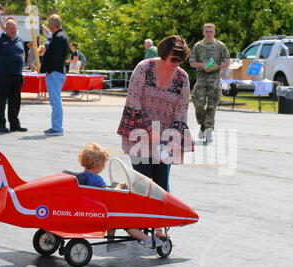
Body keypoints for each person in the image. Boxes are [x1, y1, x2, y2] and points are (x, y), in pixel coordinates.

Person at [117, 35, 194, 238]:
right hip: (139, 134)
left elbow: (181, 110)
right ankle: (134, 223)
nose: (177, 65)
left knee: (161, 183)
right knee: (142, 182)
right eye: (173, 60)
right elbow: (133, 102)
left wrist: (172, 137)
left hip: (165, 138)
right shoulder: (144, 68)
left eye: (180, 60)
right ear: (163, 54)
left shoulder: (182, 78)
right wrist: (151, 132)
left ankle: (158, 225)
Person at [77, 142, 162, 251]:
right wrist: (120, 185)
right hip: (103, 212)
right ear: (97, 164)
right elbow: (108, 195)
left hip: (95, 208)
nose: (103, 167)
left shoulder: (83, 175)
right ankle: (148, 240)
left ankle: (111, 242)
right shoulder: (96, 179)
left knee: (114, 218)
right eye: (103, 165)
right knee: (128, 224)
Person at [189, 23, 230, 143]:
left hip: (214, 80)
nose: (208, 33)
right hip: (201, 79)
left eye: (211, 31)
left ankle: (209, 131)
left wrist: (217, 66)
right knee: (199, 106)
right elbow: (192, 62)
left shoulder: (220, 46)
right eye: (206, 31)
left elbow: (227, 60)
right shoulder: (198, 46)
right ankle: (203, 125)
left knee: (212, 107)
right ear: (203, 33)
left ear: (214, 32)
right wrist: (203, 65)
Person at [0, 19, 26, 133]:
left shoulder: (20, 40)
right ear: (6, 29)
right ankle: (1, 125)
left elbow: (21, 54)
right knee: (1, 100)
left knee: (15, 101)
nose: (13, 30)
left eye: (15, 28)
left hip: (17, 75)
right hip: (4, 75)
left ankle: (14, 125)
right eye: (11, 28)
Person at [40, 14, 70, 136]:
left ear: (52, 25)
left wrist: (48, 69)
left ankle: (57, 128)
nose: (48, 27)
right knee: (56, 101)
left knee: (56, 101)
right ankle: (56, 127)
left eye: (49, 25)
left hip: (55, 72)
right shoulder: (62, 36)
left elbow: (55, 56)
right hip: (58, 71)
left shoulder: (58, 37)